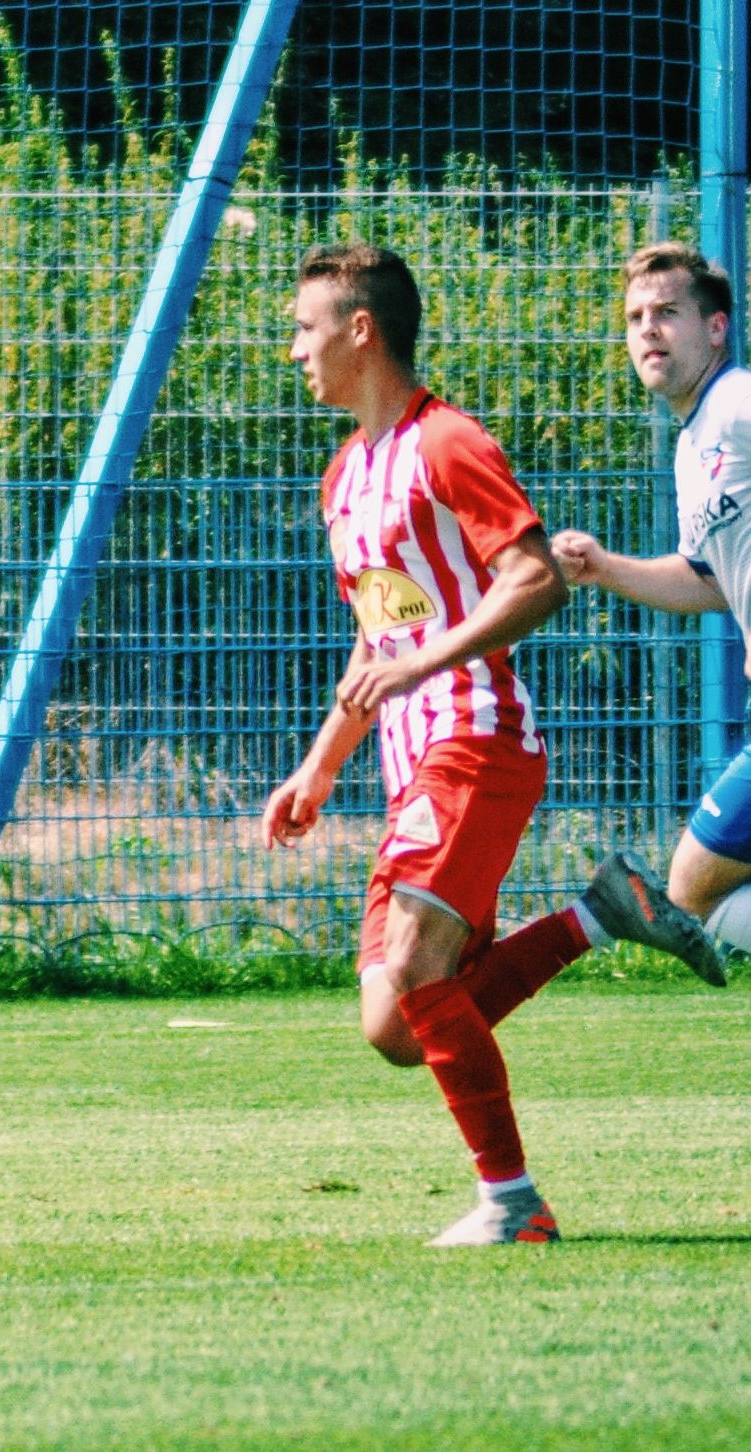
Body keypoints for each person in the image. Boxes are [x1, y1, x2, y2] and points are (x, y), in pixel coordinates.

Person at [262, 243, 719, 1248]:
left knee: (419, 972)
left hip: (474, 741)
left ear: (358, 330)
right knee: (391, 1025)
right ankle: (599, 914)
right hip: (406, 758)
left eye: (302, 329)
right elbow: (381, 635)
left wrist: (420, 669)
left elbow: (531, 580)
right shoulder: (345, 475)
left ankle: (512, 1205)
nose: (291, 350)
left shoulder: (446, 444)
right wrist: (321, 761)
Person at [554, 241, 751, 968]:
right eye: (635, 316)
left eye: (667, 312)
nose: (647, 329)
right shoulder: (692, 442)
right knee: (695, 891)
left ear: (716, 328)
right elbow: (707, 582)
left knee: (692, 889)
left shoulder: (735, 402)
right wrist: (605, 569)